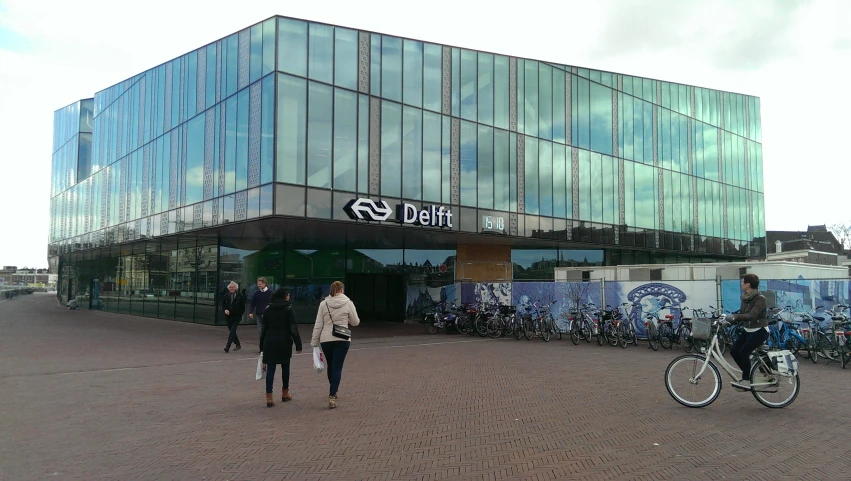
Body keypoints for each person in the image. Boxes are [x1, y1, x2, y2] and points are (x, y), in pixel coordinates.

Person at [311, 281, 360, 409]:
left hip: (326, 339)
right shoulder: (348, 303)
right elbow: (355, 322)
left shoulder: (324, 304)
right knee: (337, 367)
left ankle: (333, 389)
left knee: (331, 365)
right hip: (342, 339)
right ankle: (332, 395)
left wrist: (314, 342)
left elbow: (318, 324)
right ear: (342, 290)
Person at [260, 288, 302, 407]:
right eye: (288, 295)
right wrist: (298, 344)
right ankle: (285, 393)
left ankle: (269, 397)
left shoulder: (268, 309)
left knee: (271, 368)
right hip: (284, 340)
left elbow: (264, 328)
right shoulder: (288, 308)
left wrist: (261, 344)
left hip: (270, 340)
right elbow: (293, 328)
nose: (289, 297)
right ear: (285, 296)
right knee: (285, 367)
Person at [728, 273, 769, 390]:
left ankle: (746, 380)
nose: (741, 284)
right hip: (748, 330)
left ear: (748, 285)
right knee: (734, 351)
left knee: (743, 352)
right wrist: (728, 319)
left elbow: (752, 315)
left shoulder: (760, 299)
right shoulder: (745, 297)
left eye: (743, 282)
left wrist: (735, 316)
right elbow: (742, 313)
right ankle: (749, 373)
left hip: (759, 331)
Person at [249, 277, 273, 353]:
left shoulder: (270, 293)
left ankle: (268, 347)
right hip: (259, 314)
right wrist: (251, 312)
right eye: (258, 284)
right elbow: (253, 303)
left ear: (265, 283)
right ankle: (262, 348)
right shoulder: (256, 293)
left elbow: (273, 303)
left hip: (268, 316)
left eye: (260, 284)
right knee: (260, 332)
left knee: (268, 331)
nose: (259, 285)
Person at [222, 281, 245, 353]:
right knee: (232, 331)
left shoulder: (240, 296)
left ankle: (227, 346)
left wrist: (239, 314)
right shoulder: (226, 296)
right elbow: (223, 305)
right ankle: (238, 344)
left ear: (236, 288)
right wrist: (225, 310)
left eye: (233, 287)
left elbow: (242, 307)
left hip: (236, 317)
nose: (231, 288)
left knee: (232, 331)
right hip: (228, 316)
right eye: (230, 287)